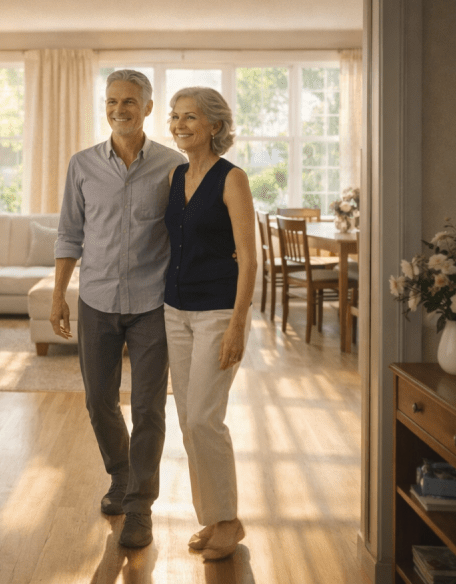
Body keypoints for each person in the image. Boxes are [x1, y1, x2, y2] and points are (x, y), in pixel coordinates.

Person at [50, 69, 186, 549]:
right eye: (111, 101)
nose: (118, 109)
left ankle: (139, 508)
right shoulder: (82, 165)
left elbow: (186, 235)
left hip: (153, 303)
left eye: (129, 101)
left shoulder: (174, 166)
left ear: (148, 108)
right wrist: (58, 296)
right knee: (98, 400)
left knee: (149, 407)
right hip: (96, 301)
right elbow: (69, 234)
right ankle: (123, 475)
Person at [163, 87, 257, 561]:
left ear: (215, 126)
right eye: (174, 117)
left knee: (204, 417)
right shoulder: (177, 173)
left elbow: (250, 258)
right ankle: (215, 519)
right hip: (174, 310)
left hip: (218, 311)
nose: (179, 125)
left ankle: (231, 521)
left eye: (190, 118)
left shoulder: (232, 178)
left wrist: (238, 323)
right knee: (188, 419)